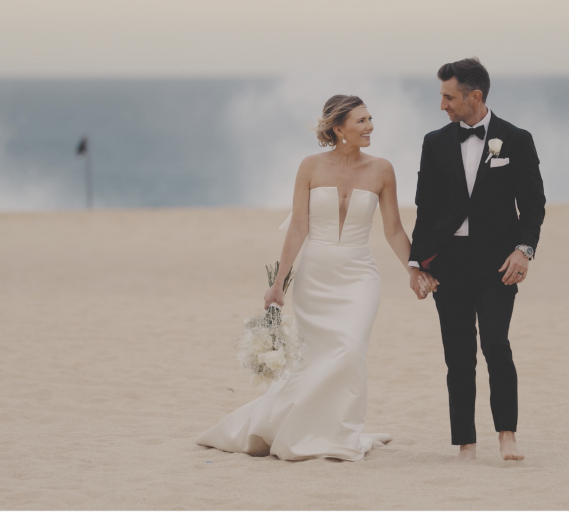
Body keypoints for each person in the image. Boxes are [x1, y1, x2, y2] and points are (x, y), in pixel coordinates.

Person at [195, 95, 435, 461]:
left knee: (350, 352)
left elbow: (394, 231)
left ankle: (341, 433)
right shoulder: (310, 167)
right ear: (339, 129)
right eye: (361, 121)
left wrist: (414, 270)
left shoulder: (382, 169)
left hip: (360, 276)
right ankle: (302, 428)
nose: (370, 126)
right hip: (315, 276)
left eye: (370, 118)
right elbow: (297, 229)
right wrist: (278, 284)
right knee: (315, 359)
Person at [409, 58, 546, 461]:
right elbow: (425, 209)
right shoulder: (434, 142)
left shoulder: (516, 139)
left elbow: (533, 205)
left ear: (475, 96)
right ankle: (465, 443)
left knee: (496, 345)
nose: (442, 105)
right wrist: (418, 264)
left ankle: (507, 435)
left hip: (497, 265)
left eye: (448, 97)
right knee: (458, 355)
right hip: (447, 263)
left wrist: (524, 251)